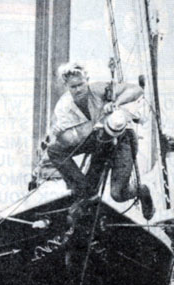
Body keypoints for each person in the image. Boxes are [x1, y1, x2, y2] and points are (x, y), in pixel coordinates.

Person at [45, 61, 154, 220]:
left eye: (81, 84)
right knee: (54, 150)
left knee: (118, 194)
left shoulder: (99, 89)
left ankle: (141, 190)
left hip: (122, 137)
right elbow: (71, 142)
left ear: (86, 80)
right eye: (73, 87)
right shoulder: (63, 107)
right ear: (66, 87)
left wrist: (115, 103)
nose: (78, 90)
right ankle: (85, 191)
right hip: (96, 140)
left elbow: (136, 90)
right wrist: (61, 135)